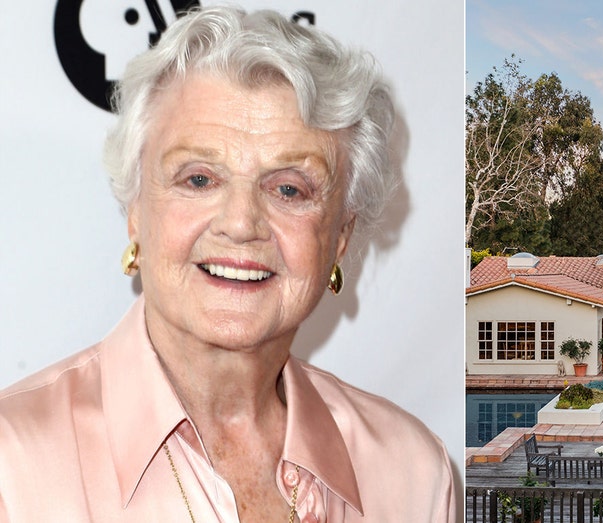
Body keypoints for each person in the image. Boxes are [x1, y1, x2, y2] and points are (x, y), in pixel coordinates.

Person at [0, 6, 455, 522]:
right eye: (199, 179)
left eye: (289, 189)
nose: (240, 224)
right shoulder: (11, 466)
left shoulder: (413, 473)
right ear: (135, 211)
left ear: (341, 237)